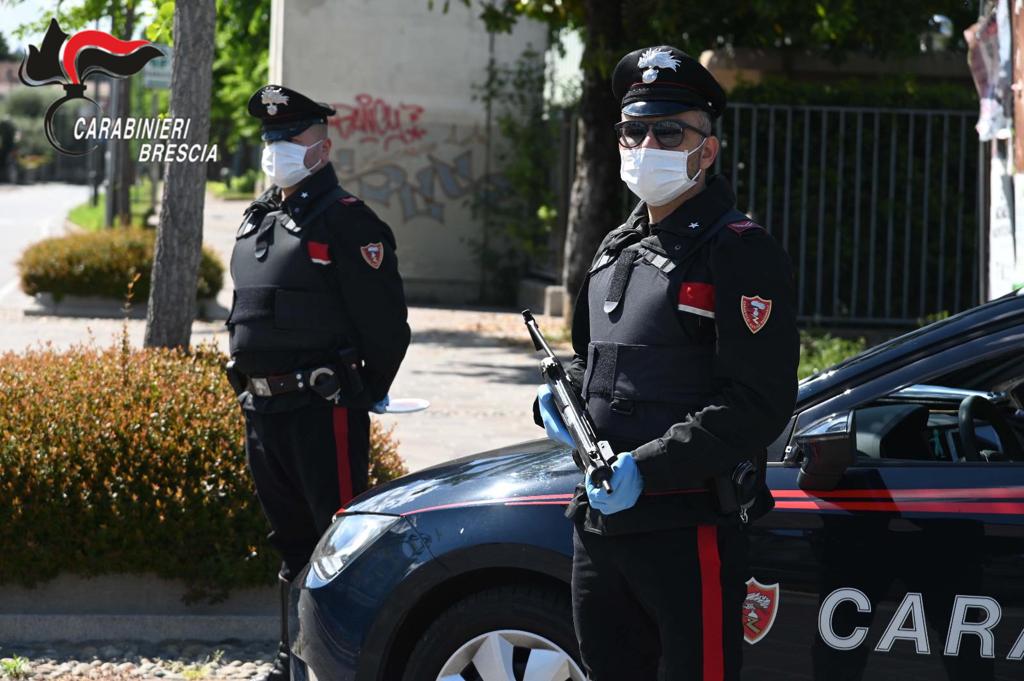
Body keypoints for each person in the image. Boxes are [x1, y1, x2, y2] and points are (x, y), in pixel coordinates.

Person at [535, 46, 800, 680]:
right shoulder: (616, 245)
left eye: (668, 130)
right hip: (600, 525)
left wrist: (646, 470)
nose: (646, 143)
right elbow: (589, 361)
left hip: (687, 526)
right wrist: (559, 400)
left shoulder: (739, 253)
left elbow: (757, 400)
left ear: (707, 149)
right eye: (633, 130)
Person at [226, 85, 410, 680]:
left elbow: (387, 328)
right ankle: (291, 662)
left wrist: (356, 392)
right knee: (290, 545)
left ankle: (337, 665)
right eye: (271, 137)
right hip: (262, 411)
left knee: (335, 546)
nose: (277, 146)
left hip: (319, 408)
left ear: (323, 147)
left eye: (292, 136)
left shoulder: (348, 222)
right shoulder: (258, 216)